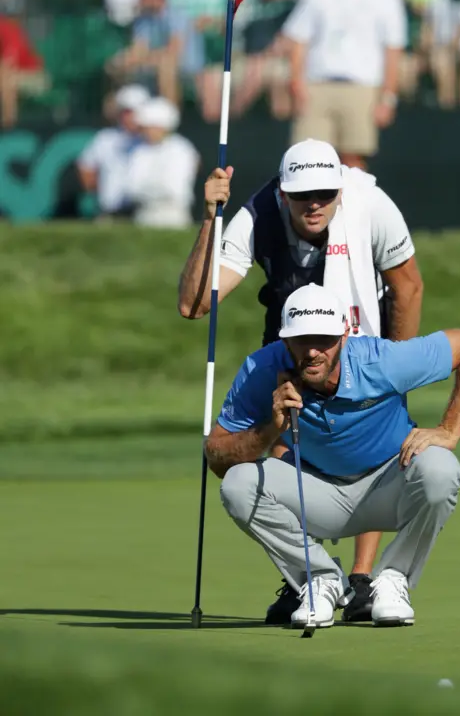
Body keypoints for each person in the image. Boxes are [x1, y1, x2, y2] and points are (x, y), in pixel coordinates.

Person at [178, 138, 424, 624]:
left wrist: (395, 367)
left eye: (325, 193)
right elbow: (195, 304)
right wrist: (210, 217)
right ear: (282, 192)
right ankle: (311, 577)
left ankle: (361, 581)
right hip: (289, 335)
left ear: (339, 189)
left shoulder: (372, 203)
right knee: (277, 446)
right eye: (301, 194)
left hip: (359, 335)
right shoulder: (256, 215)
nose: (314, 204)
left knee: (368, 445)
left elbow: (408, 285)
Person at [207, 283, 460, 628]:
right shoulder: (261, 370)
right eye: (302, 339)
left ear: (344, 334)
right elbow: (217, 457)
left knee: (440, 467)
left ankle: (392, 579)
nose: (313, 351)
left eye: (325, 339)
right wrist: (270, 429)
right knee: (239, 484)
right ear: (284, 340)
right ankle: (321, 580)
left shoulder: (380, 360)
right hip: (317, 494)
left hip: (389, 488)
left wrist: (450, 429)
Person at [282, 0, 408, 171]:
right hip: (317, 86)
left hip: (362, 87)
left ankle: (352, 209)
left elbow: (393, 51)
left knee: (353, 161)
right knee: (309, 161)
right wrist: (297, 83)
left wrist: (388, 98)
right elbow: (298, 40)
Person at [76, 83, 150, 220]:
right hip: (110, 211)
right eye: (126, 112)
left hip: (145, 212)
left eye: (134, 112)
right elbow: (86, 168)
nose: (130, 117)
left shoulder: (151, 141)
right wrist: (102, 192)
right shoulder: (105, 139)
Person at [126, 97, 200, 228]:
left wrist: (148, 191)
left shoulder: (181, 149)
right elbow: (132, 187)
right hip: (143, 216)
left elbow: (175, 188)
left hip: (173, 216)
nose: (147, 131)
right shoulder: (139, 150)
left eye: (150, 127)